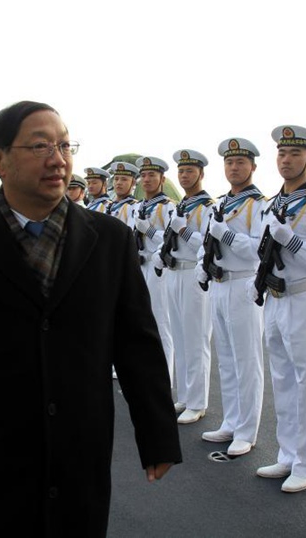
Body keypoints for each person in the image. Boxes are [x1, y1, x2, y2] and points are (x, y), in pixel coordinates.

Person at [0, 100, 181, 537]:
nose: (59, 159)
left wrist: (157, 433)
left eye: (66, 145)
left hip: (80, 451)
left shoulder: (109, 240)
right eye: (41, 146)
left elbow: (136, 343)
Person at [250, 125, 306, 492]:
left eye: (295, 155)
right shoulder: (271, 205)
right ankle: (287, 453)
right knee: (283, 380)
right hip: (275, 298)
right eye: (282, 154)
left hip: (302, 298)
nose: (287, 161)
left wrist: (291, 240)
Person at [195, 137, 266, 457]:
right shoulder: (220, 204)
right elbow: (206, 243)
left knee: (246, 360)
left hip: (243, 284)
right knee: (226, 358)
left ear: (252, 166)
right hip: (219, 284)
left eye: (240, 162)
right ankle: (232, 420)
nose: (233, 167)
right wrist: (201, 263)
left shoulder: (259, 205)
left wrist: (228, 235)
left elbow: (258, 251)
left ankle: (247, 431)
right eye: (229, 162)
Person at [153, 149, 215, 424]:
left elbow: (208, 245)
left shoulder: (207, 207)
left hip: (193, 274)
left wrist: (183, 230)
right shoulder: (182, 206)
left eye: (189, 171)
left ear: (201, 174)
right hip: (174, 272)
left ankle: (198, 401)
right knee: (179, 336)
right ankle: (187, 396)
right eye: (181, 171)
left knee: (195, 339)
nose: (184, 175)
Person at [133, 157, 176, 384]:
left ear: (162, 178)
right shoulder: (140, 206)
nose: (147, 179)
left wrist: (148, 230)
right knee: (142, 322)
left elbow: (169, 241)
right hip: (140, 265)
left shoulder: (168, 206)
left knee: (161, 324)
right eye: (144, 175)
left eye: (152, 175)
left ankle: (165, 380)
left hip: (159, 267)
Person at [106, 160, 139, 226]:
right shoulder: (108, 206)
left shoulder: (135, 206)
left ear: (133, 183)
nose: (119, 183)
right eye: (116, 179)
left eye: (124, 179)